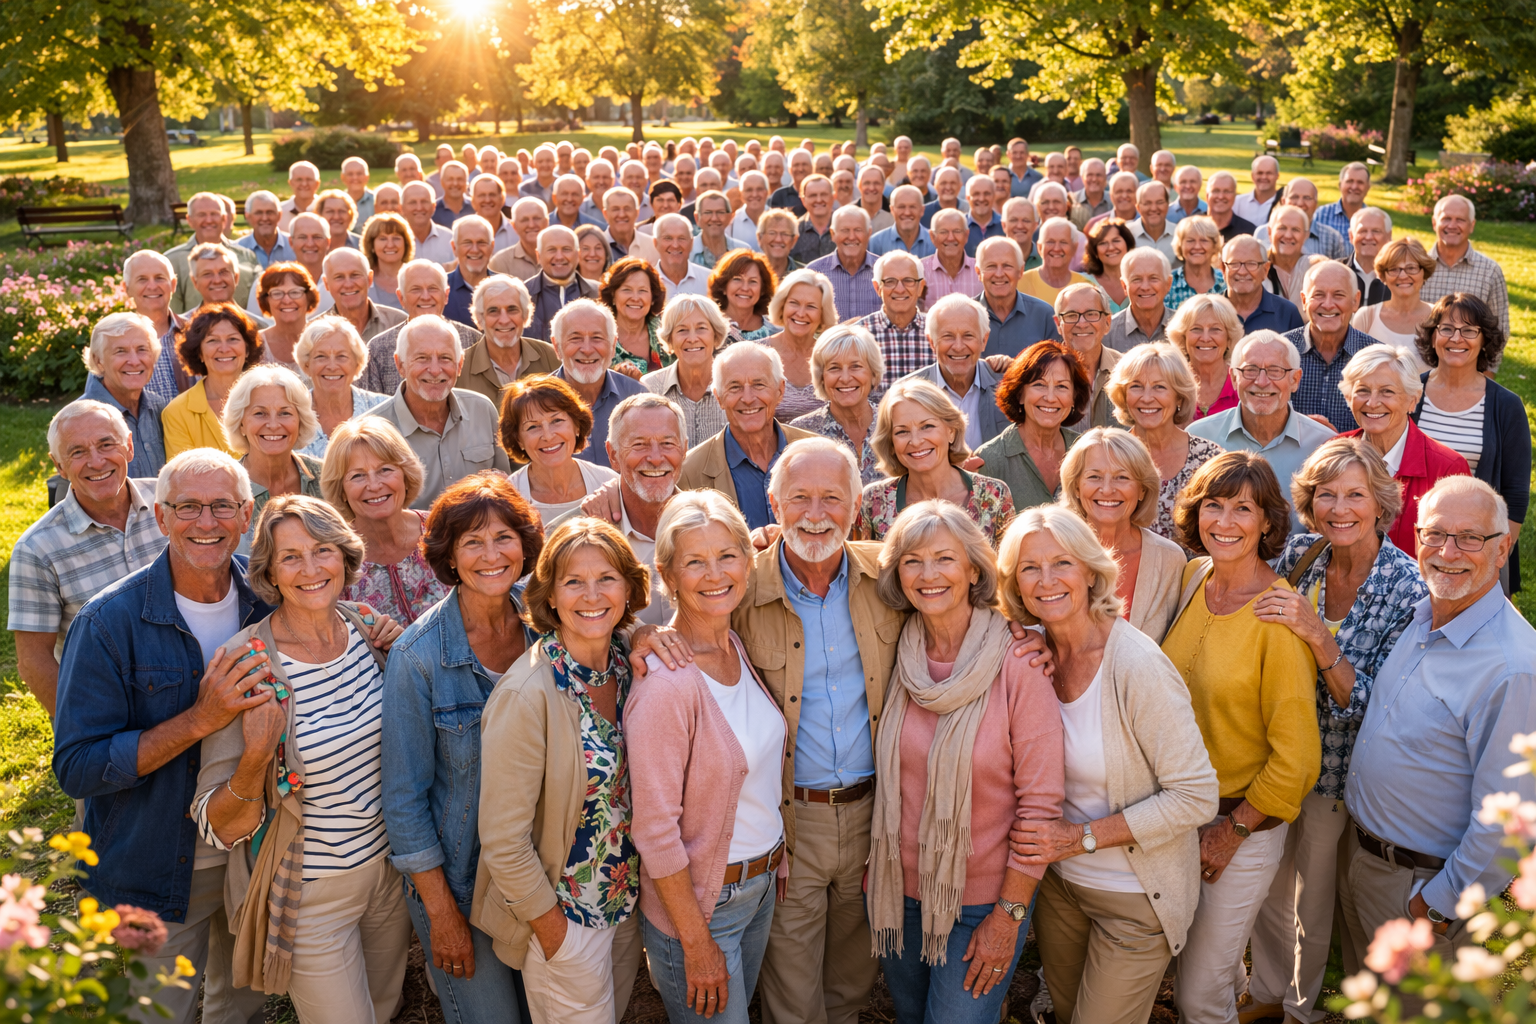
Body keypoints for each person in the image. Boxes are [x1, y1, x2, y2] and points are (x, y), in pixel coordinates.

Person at [51, 450, 278, 1024]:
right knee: (161, 1012)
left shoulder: (271, 599)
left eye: (222, 506)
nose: (207, 523)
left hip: (254, 849)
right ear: (159, 517)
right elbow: (78, 767)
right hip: (162, 857)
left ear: (246, 513)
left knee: (243, 1004)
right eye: (188, 508)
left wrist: (373, 625)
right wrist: (200, 719)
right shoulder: (108, 623)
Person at [192, 493, 407, 1024]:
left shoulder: (366, 628)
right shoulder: (246, 663)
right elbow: (214, 823)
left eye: (323, 550)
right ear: (268, 571)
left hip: (389, 876)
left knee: (385, 1009)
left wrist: (404, 659)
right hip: (308, 890)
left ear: (345, 556)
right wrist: (258, 754)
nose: (310, 569)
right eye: (290, 557)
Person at [1000, 506, 1217, 1024]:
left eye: (1063, 564)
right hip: (1060, 891)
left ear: (1093, 571)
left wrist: (1080, 839)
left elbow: (1196, 795)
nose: (1047, 581)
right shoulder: (1031, 657)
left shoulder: (1137, 666)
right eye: (1030, 568)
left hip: (1137, 897)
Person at [1240, 437, 1427, 1024]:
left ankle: (1300, 1007)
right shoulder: (1302, 553)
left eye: (1355, 495)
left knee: (1311, 897)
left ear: (1380, 503)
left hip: (1337, 771)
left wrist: (1318, 636)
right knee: (1269, 885)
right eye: (1326, 495)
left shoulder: (1405, 587)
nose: (1339, 509)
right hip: (1273, 755)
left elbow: (1381, 706)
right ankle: (1266, 991)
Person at [1342, 476, 1534, 1014]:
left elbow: (1508, 817)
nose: (1448, 553)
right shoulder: (1424, 614)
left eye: (1469, 538)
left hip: (1421, 887)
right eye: (1434, 534)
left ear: (1503, 548)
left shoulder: (1512, 668)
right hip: (1364, 860)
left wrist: (1435, 906)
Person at [867, 501, 1062, 1023]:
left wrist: (1009, 915)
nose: (928, 575)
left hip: (984, 901)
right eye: (912, 561)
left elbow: (1041, 805)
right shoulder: (894, 648)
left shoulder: (1019, 659)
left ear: (974, 568)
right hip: (898, 891)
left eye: (944, 559)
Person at [1159, 452, 1321, 1024]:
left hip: (1240, 825)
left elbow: (1298, 757)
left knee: (1198, 996)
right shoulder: (1192, 577)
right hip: (1179, 816)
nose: (1224, 521)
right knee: (1210, 968)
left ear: (1267, 523)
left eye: (1243, 509)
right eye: (1213, 505)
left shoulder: (1277, 617)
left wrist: (1234, 829)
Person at [472, 517, 649, 1024]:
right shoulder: (527, 695)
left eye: (607, 578)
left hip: (623, 903)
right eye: (573, 581)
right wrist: (555, 932)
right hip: (566, 917)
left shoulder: (624, 660)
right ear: (550, 597)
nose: (591, 595)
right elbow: (504, 839)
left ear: (630, 588)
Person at [381, 473, 542, 1024]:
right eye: (472, 542)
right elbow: (403, 801)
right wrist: (441, 913)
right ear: (448, 557)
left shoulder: (551, 624)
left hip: (544, 875)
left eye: (503, 538)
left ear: (525, 543)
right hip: (462, 884)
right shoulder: (418, 657)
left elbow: (619, 632)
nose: (491, 555)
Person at [627, 492, 788, 1024]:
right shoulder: (666, 684)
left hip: (758, 889)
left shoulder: (733, 646)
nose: (714, 573)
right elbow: (654, 830)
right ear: (668, 575)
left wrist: (774, 854)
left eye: (727, 555)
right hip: (702, 908)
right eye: (695, 561)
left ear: (747, 561)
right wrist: (695, 944)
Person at [10, 402, 166, 716]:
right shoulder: (37, 549)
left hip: (193, 699)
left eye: (107, 445)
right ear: (59, 466)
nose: (96, 461)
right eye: (77, 452)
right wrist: (83, 727)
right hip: (105, 710)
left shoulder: (172, 504)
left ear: (130, 447)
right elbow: (34, 661)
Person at [1412, 293, 1528, 594]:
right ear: (1433, 335)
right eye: (1447, 328)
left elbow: (1515, 494)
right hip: (1414, 540)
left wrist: (1494, 558)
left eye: (1469, 330)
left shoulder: (1506, 405)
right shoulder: (1409, 393)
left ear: (1484, 340)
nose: (1456, 338)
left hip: (1475, 549)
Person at [1188, 330, 1337, 532]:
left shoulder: (1325, 445)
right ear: (1233, 377)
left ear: (1295, 379)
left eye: (1275, 370)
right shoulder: (1198, 438)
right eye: (1250, 370)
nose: (1262, 381)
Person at [1056, 427, 1188, 640]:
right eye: (1094, 477)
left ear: (1142, 489)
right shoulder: (1051, 552)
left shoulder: (1169, 560)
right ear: (1077, 487)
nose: (1107, 490)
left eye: (1122, 477)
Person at [367, 316, 510, 508]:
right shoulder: (373, 430)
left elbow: (507, 486)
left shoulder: (483, 410)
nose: (435, 370)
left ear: (459, 365)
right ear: (400, 365)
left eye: (445, 358)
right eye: (422, 358)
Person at [1338, 343, 1469, 553]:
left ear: (1412, 401)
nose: (1372, 403)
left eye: (1387, 392)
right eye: (1362, 390)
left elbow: (1458, 551)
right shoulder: (1332, 452)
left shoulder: (1447, 469)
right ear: (1348, 397)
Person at [323, 415, 449, 626]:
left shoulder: (443, 531)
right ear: (341, 490)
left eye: (385, 470)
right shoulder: (334, 559)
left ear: (405, 476)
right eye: (357, 476)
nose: (374, 485)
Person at [676, 343, 817, 532]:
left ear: (780, 390)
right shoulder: (690, 473)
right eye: (735, 387)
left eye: (759, 385)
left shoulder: (817, 453)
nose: (748, 398)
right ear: (718, 397)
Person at [856, 378, 1015, 545]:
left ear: (951, 431)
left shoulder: (994, 495)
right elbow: (864, 569)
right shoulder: (873, 500)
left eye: (927, 426)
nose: (916, 441)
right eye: (902, 432)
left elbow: (1007, 568)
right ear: (890, 444)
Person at [1107, 342, 1226, 543]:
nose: (1146, 398)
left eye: (1159, 387)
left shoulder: (1210, 459)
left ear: (1179, 397)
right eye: (1136, 386)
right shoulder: (1108, 455)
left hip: (1192, 573)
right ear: (1124, 395)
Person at [974, 340, 1088, 511]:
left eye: (1061, 386)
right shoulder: (989, 460)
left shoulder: (1086, 452)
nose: (1050, 397)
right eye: (1039, 385)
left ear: (1074, 398)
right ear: (1020, 394)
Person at [222, 365, 324, 549]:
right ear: (241, 424)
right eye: (260, 413)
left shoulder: (327, 478)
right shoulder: (223, 489)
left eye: (285, 413)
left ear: (300, 421)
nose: (273, 425)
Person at [503, 374, 619, 523]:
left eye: (557, 421)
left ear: (576, 425)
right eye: (533, 426)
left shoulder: (609, 483)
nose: (548, 436)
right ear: (518, 440)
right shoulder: (507, 498)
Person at [903, 294, 1011, 451]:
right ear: (932, 342)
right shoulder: (908, 394)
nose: (959, 346)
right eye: (948, 336)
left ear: (984, 340)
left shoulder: (1008, 385)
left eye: (968, 335)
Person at [550, 298, 648, 469]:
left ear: (613, 345)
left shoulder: (637, 397)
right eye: (575, 339)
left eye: (597, 338)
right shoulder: (536, 403)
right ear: (556, 346)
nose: (587, 349)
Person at [361, 259, 484, 397]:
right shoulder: (378, 348)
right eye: (416, 289)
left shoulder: (474, 340)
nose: (425, 297)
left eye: (433, 288)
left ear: (446, 295)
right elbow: (371, 408)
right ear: (401, 297)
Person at [163, 303, 264, 458]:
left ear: (248, 349)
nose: (224, 348)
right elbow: (185, 476)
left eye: (233, 339)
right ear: (199, 353)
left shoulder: (269, 399)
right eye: (213, 341)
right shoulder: (177, 412)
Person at [1286, 261, 1377, 433]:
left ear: (1355, 301)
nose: (1328, 305)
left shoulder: (1375, 357)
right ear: (1304, 300)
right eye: (1318, 295)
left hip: (1355, 456)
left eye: (1338, 295)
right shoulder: (1280, 351)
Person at [789, 324, 884, 485]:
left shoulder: (892, 425)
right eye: (834, 368)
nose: (845, 378)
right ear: (821, 377)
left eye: (856, 366)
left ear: (873, 373)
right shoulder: (801, 432)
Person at [79, 312, 167, 477]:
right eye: (121, 351)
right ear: (99, 361)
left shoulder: (161, 408)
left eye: (142, 349)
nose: (134, 361)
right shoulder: (79, 419)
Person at [455, 275, 561, 407]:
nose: (504, 320)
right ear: (480, 319)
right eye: (493, 311)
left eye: (512, 310)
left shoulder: (552, 357)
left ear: (525, 315)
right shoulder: (459, 369)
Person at [641, 294, 730, 448]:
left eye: (701, 328)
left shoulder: (735, 385)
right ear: (670, 338)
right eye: (682, 330)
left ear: (715, 334)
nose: (692, 338)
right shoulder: (649, 387)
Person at [294, 316, 389, 459]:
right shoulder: (291, 413)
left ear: (357, 363)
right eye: (321, 356)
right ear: (307, 365)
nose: (332, 366)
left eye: (341, 356)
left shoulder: (385, 409)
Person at [1419, 195, 1510, 341]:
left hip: (1469, 362)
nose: (1452, 225)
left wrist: (1483, 365)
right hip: (1419, 361)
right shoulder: (1417, 267)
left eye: (1460, 220)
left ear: (1472, 225)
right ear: (1434, 223)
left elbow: (1500, 331)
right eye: (1446, 218)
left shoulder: (1490, 271)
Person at [166, 192, 261, 312]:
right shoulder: (172, 260)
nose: (209, 220)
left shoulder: (247, 256)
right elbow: (172, 315)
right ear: (189, 220)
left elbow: (257, 305)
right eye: (201, 215)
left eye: (214, 214)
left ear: (224, 219)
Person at [766, 268, 840, 421]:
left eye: (811, 306)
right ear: (782, 306)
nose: (800, 313)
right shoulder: (758, 354)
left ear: (822, 313)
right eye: (794, 303)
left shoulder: (834, 356)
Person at [124, 250, 194, 400]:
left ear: (173, 285)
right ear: (127, 288)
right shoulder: (113, 339)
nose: (152, 286)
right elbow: (96, 397)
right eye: (142, 279)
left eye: (159, 278)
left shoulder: (195, 333)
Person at [858, 251, 929, 396]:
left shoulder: (938, 332)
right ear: (877, 287)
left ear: (920, 287)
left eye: (908, 280)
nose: (900, 289)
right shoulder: (858, 335)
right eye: (890, 281)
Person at [1052, 284, 1122, 432]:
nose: (1082, 324)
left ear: (1107, 322)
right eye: (1071, 315)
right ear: (1058, 324)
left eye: (1091, 314)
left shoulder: (1127, 370)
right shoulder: (1042, 372)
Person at [1352, 236, 1435, 355]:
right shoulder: (1365, 318)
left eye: (1411, 268)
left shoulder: (1439, 318)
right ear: (1383, 275)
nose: (1402, 276)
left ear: (1424, 272)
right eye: (1394, 269)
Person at [1167, 293, 1242, 420]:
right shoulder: (1171, 383)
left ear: (1229, 337)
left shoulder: (1242, 383)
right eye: (1196, 329)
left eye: (1215, 329)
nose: (1205, 338)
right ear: (1183, 337)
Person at [522, 226, 601, 342]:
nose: (559, 257)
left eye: (566, 249)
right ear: (538, 255)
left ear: (578, 254)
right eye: (551, 250)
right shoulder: (522, 295)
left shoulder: (600, 293)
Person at [807, 206, 879, 323]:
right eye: (845, 230)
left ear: (869, 233)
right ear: (833, 234)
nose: (851, 237)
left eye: (858, 230)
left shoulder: (884, 271)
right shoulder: (814, 272)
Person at [1220, 235, 1304, 335]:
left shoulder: (1287, 313)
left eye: (1251, 264)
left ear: (1265, 269)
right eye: (1234, 264)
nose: (1242, 271)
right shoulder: (1208, 311)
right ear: (1223, 269)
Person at [327, 245, 408, 343]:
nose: (348, 284)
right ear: (326, 284)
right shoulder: (313, 331)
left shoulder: (399, 322)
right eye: (339, 277)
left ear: (369, 278)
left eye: (355, 275)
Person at [602, 257, 669, 376]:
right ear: (613, 295)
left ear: (653, 297)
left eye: (642, 291)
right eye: (627, 290)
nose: (635, 298)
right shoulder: (599, 335)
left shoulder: (667, 332)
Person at [253, 261, 318, 373]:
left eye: (295, 292)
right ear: (266, 299)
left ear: (308, 297)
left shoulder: (324, 339)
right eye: (277, 293)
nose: (287, 300)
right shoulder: (255, 344)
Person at [1104, 248, 1173, 353]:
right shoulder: (1106, 333)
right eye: (1136, 279)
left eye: (1153, 278)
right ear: (1124, 286)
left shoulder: (1184, 328)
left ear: (1168, 284)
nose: (1145, 287)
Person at [1017, 219, 1092, 309]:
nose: (1056, 248)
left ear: (1074, 248)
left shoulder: (1086, 287)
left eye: (1063, 242)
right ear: (1039, 247)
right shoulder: (1019, 284)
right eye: (1050, 242)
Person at [1264, 205, 1327, 308]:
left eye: (1295, 230)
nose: (1288, 235)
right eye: (1282, 228)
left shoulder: (1316, 269)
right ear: (1270, 232)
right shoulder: (1256, 267)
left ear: (1306, 235)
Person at [710, 249, 779, 341]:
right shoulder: (709, 326)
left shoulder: (776, 331)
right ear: (723, 286)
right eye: (737, 279)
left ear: (762, 289)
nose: (745, 288)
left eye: (753, 281)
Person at [921, 209, 981, 311]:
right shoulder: (919, 270)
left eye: (957, 231)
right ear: (932, 236)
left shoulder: (981, 271)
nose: (950, 238)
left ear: (966, 235)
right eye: (943, 232)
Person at [1165, 216, 1225, 307]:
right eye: (1190, 241)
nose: (1197, 247)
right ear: (1180, 245)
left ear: (1214, 245)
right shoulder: (1168, 283)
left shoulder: (1225, 282)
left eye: (1204, 240)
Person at [362, 211, 415, 311]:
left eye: (396, 238)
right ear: (371, 245)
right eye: (382, 239)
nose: (390, 245)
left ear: (406, 243)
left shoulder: (417, 276)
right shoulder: (361, 280)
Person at [870, 185, 937, 260]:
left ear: (922, 210)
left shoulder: (935, 243)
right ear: (892, 210)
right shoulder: (875, 243)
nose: (907, 213)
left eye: (912, 207)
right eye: (901, 207)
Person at [1082, 219, 1134, 313]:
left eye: (1116, 241)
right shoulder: (1083, 282)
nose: (1110, 247)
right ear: (1095, 251)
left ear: (1128, 244)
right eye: (1103, 243)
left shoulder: (1142, 281)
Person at [402, 181, 456, 265]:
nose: (419, 208)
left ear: (434, 206)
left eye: (424, 201)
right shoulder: (395, 242)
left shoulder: (450, 239)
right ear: (402, 208)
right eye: (412, 202)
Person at [237, 190, 296, 269]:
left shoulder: (295, 246)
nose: (265, 218)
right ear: (248, 217)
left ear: (279, 215)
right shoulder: (237, 250)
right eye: (258, 213)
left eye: (270, 212)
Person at [1315, 163, 1372, 242]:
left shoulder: (1375, 219)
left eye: (1360, 182)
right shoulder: (1321, 215)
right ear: (1340, 185)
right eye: (1349, 181)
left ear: (1368, 187)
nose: (1354, 186)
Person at [1204, 171, 1256, 243]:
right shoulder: (1192, 227)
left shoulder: (1249, 231)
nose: (1221, 196)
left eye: (1227, 191)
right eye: (1216, 191)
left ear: (1235, 196)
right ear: (1207, 196)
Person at [757, 208, 804, 282]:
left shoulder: (804, 275)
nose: (778, 239)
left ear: (794, 240)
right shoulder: (749, 273)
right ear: (759, 237)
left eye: (785, 234)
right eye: (772, 233)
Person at [1233, 155, 1281, 227]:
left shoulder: (1283, 204)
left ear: (1277, 176)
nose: (1264, 177)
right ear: (1252, 176)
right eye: (1260, 173)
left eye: (1269, 173)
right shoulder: (1237, 202)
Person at [1068, 159, 1111, 229]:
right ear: (1082, 178)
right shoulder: (1071, 201)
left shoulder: (1114, 201)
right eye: (1089, 175)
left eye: (1098, 175)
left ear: (1105, 177)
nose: (1094, 179)